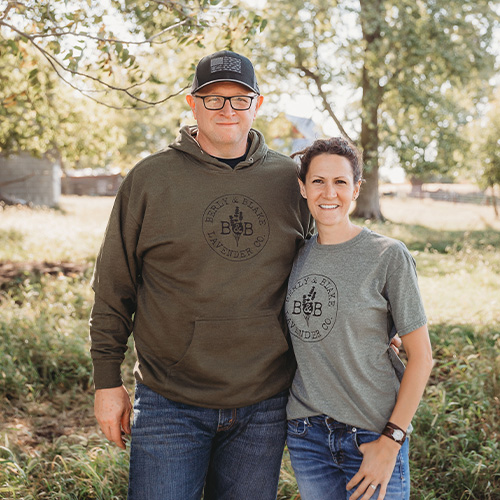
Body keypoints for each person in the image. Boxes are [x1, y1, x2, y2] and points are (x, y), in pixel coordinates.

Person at [89, 50, 314, 500]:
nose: (227, 110)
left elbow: (322, 271)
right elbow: (114, 286)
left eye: (239, 98)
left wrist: (374, 322)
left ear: (258, 104)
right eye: (213, 99)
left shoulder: (293, 181)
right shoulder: (150, 180)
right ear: (192, 104)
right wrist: (107, 382)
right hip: (171, 402)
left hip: (263, 402)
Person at [285, 137, 433, 500]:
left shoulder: (388, 256)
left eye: (340, 182)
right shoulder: (295, 255)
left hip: (372, 433)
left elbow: (422, 357)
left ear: (356, 189)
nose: (329, 192)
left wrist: (392, 440)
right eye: (318, 181)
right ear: (303, 187)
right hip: (308, 434)